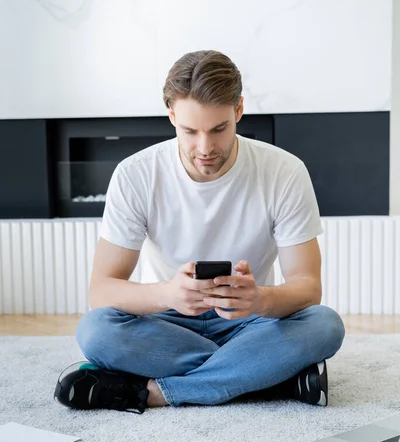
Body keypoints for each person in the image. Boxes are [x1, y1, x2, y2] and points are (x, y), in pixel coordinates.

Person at [54, 50, 345, 414]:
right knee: (96, 330)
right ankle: (268, 376)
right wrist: (169, 295)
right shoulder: (136, 174)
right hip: (167, 322)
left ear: (238, 110)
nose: (204, 148)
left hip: (249, 323)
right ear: (171, 115)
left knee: (324, 325)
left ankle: (154, 392)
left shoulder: (284, 171)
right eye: (190, 131)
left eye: (218, 129)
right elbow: (102, 290)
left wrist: (259, 300)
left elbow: (307, 287)